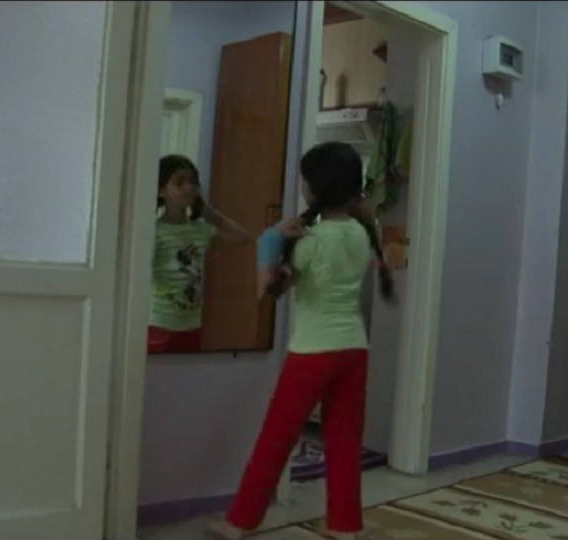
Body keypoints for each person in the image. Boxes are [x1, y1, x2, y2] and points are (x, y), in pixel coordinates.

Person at [210, 142, 395, 540]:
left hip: (312, 352)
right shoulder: (363, 233)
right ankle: (345, 525)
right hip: (353, 349)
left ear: (313, 188)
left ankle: (239, 522)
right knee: (345, 441)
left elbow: (267, 290)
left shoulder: (311, 241)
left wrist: (270, 241)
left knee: (276, 439)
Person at [149, 155, 255, 354]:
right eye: (179, 182)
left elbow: (244, 238)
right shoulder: (155, 232)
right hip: (161, 325)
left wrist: (211, 214)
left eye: (192, 181)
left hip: (193, 325)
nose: (188, 187)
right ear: (162, 191)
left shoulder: (200, 229)